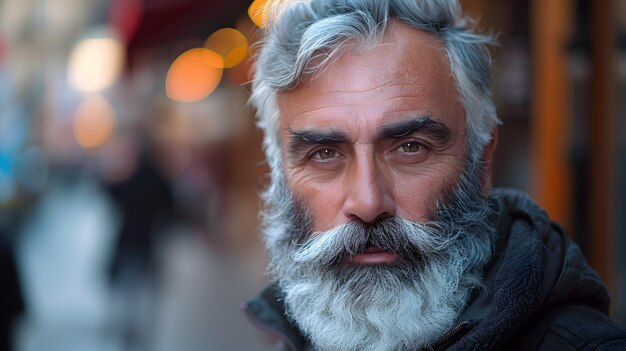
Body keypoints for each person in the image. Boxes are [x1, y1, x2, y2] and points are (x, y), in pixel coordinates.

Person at [242, 0, 626, 350]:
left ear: (482, 162)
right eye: (324, 154)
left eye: (411, 147)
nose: (368, 202)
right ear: (279, 173)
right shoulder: (294, 338)